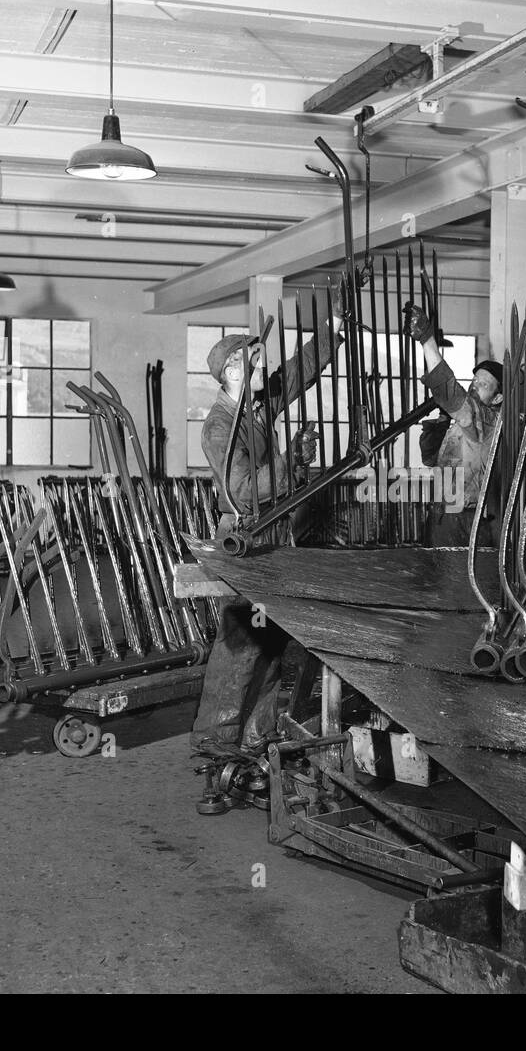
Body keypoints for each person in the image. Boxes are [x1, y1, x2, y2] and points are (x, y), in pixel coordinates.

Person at [191, 319, 338, 756]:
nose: (265, 369)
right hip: (243, 538)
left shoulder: (255, 408)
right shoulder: (219, 427)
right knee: (241, 646)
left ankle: (257, 740)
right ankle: (215, 744)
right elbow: (241, 489)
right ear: (234, 370)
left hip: (271, 533)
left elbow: (299, 371)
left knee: (271, 642)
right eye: (256, 362)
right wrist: (289, 462)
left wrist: (333, 325)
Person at [403, 303, 503, 547]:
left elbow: (449, 391)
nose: (474, 386)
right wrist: (439, 427)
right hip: (442, 516)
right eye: (474, 380)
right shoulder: (466, 421)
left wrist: (426, 340)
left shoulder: (488, 422)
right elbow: (431, 459)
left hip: (466, 522)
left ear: (498, 398)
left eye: (484, 384)